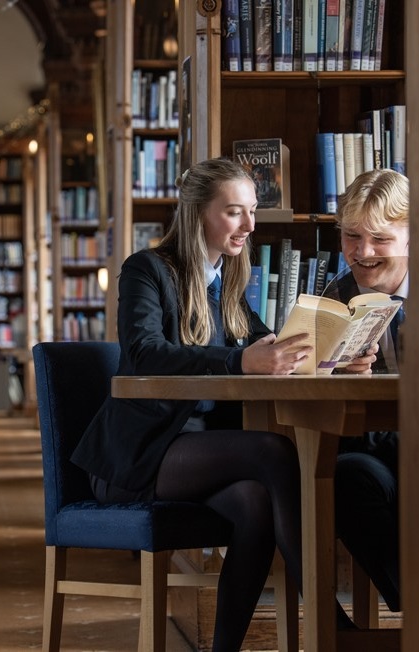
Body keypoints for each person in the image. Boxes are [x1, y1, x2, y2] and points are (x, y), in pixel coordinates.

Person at [70, 158, 318, 651]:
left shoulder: (225, 284)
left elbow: (265, 346)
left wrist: (327, 359)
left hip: (196, 454)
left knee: (253, 503)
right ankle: (324, 607)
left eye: (251, 211)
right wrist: (239, 361)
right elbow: (143, 352)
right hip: (138, 457)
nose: (250, 225)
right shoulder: (146, 269)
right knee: (271, 452)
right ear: (197, 213)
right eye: (234, 212)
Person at [330, 168, 409, 614]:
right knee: (346, 477)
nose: (362, 253)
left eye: (379, 238)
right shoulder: (335, 297)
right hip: (373, 450)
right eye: (351, 237)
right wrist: (331, 374)